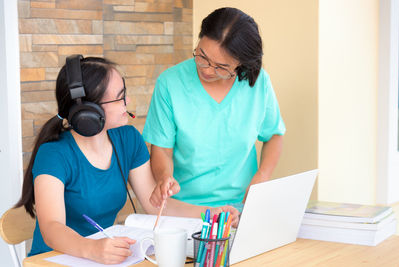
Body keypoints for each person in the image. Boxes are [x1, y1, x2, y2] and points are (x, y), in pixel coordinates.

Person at [15, 56, 239, 265]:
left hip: (102, 258)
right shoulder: (54, 154)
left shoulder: (128, 139)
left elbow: (156, 205)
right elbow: (51, 227)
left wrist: (214, 214)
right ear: (88, 111)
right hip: (55, 260)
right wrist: (92, 249)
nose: (128, 100)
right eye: (120, 96)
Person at [145, 7, 286, 210]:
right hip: (187, 210)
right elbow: (162, 150)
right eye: (202, 56)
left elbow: (273, 135)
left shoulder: (258, 82)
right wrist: (164, 178)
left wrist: (262, 177)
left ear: (241, 64)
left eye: (221, 67)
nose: (207, 70)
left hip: (241, 209)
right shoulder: (170, 83)